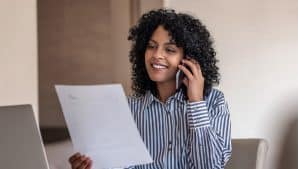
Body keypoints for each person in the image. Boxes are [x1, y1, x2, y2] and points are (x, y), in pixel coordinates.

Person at [68, 8, 232, 169]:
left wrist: (196, 103)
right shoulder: (128, 109)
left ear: (189, 59)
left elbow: (211, 166)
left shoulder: (214, 102)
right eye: (151, 46)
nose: (156, 55)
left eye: (170, 49)